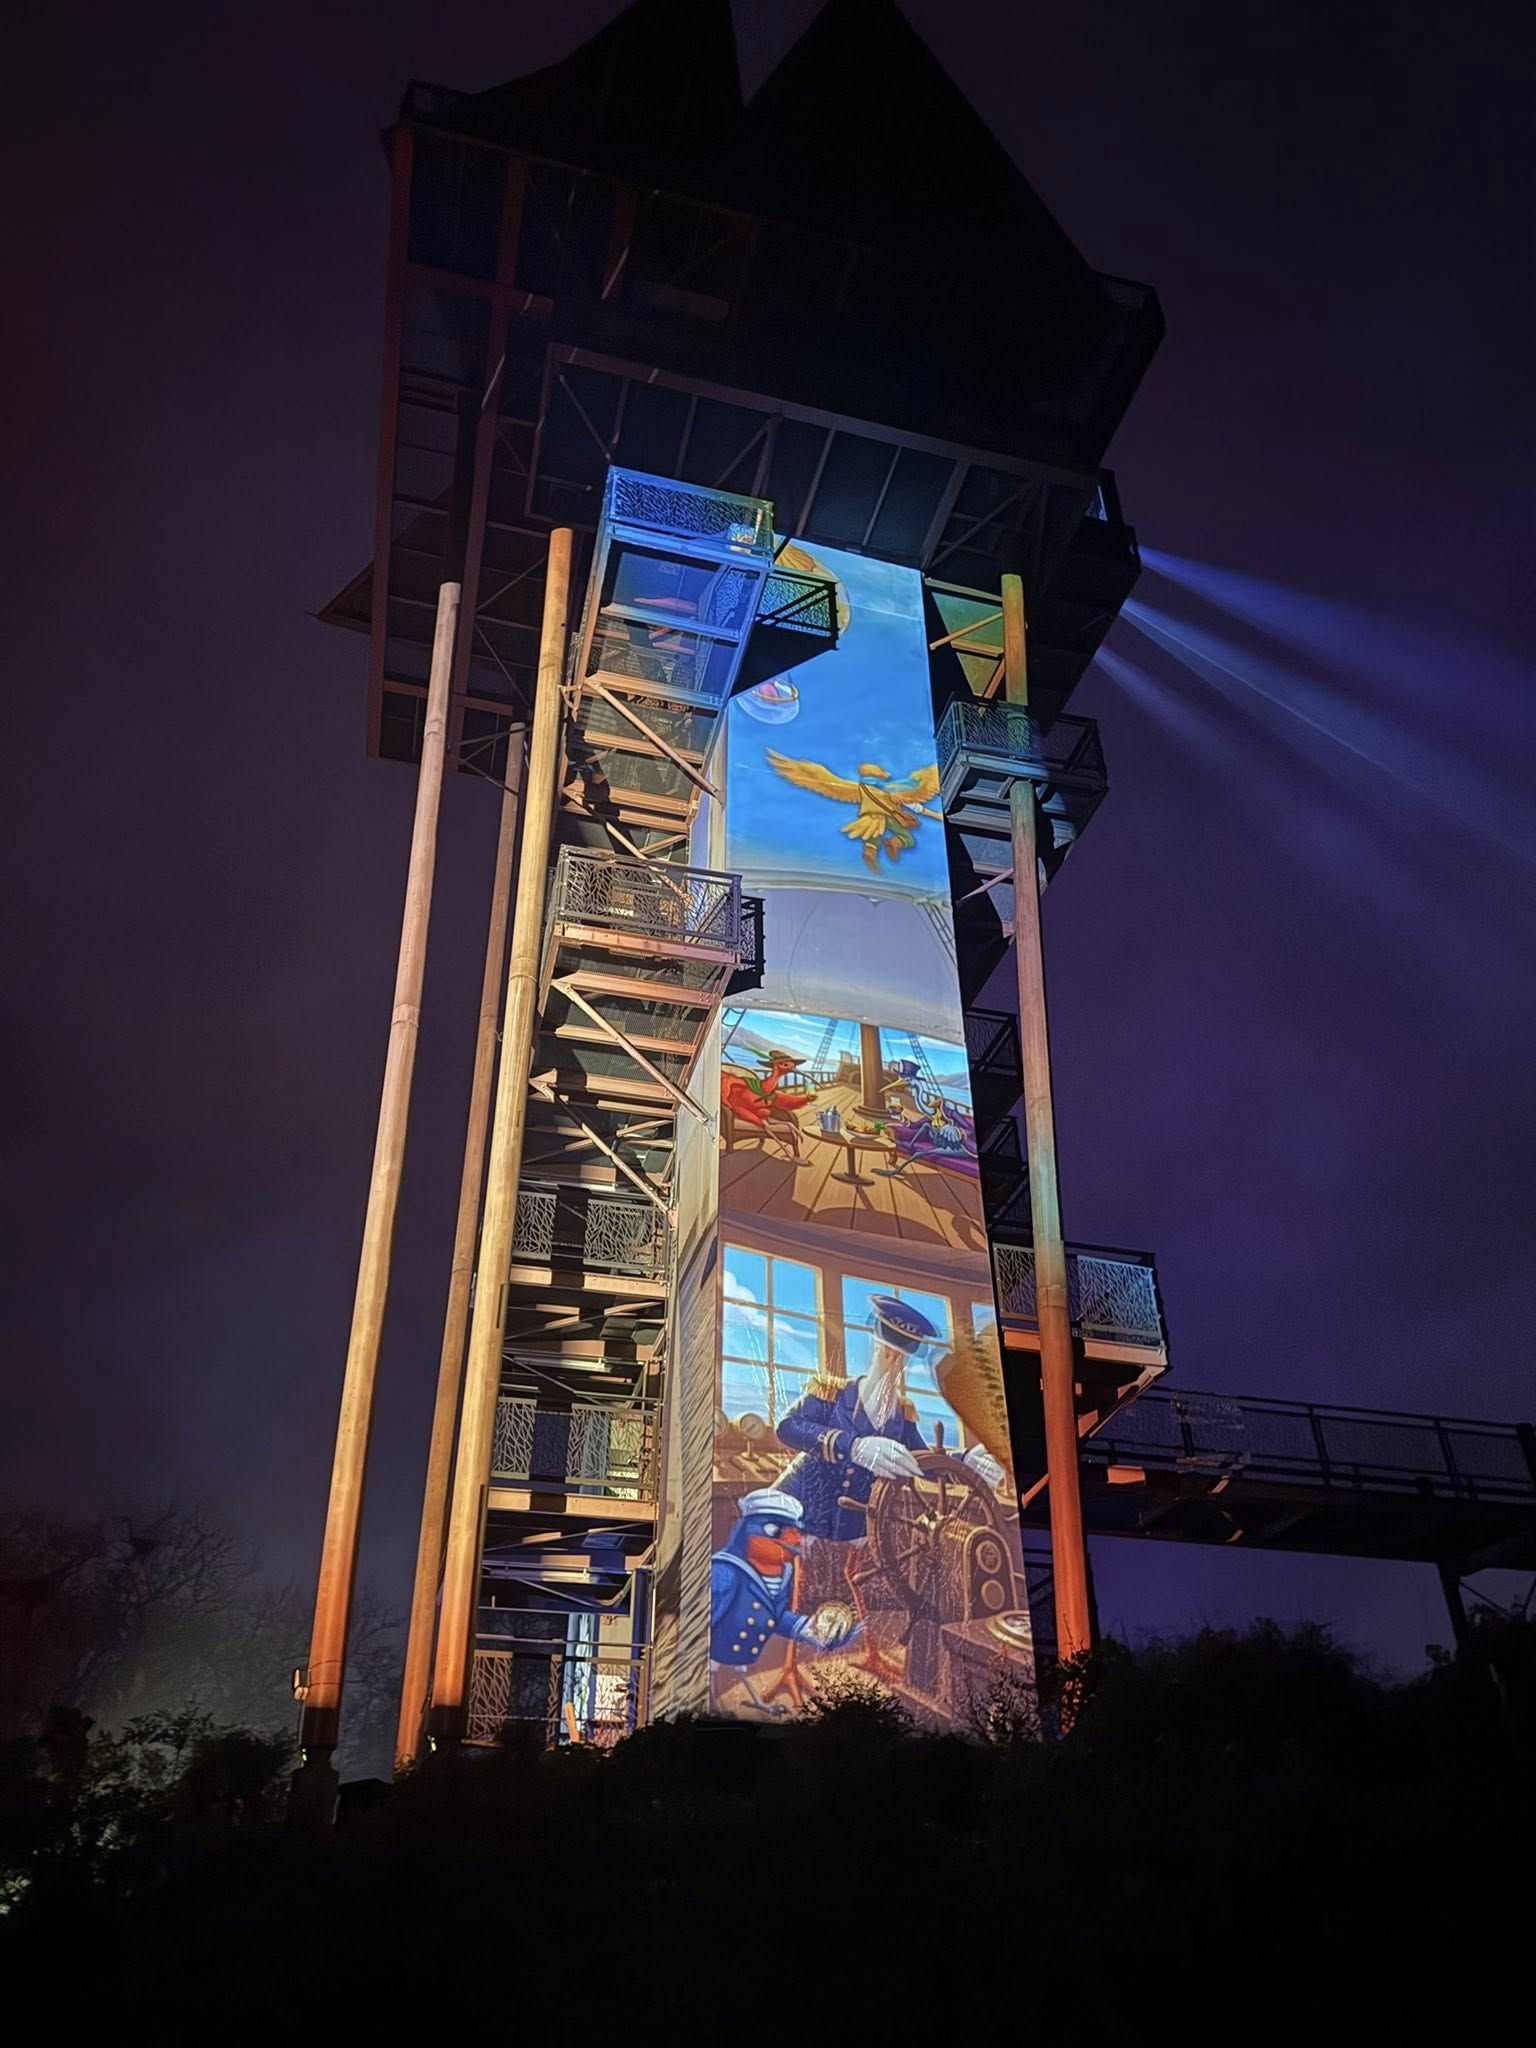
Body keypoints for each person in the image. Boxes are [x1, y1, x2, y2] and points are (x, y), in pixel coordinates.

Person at [775, 1296, 1005, 1544]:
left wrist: (965, 1462)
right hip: (793, 1514)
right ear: (874, 1346)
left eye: (900, 1357)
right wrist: (853, 1446)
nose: (893, 1361)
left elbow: (920, 1461)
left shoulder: (901, 1416)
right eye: (886, 1352)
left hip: (851, 1533)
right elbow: (787, 1426)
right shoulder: (830, 1393)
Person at [709, 1488, 860, 1669]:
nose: (796, 1539)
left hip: (741, 1661)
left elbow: (774, 1615)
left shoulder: (782, 1574)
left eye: (797, 1531)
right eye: (777, 1530)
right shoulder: (725, 1572)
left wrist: (810, 1629)